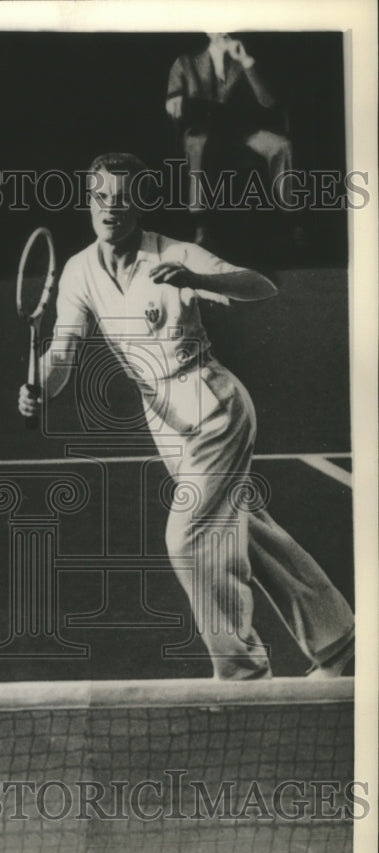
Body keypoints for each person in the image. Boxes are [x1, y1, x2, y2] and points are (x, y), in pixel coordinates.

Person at [18, 152, 354, 682]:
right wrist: (39, 384)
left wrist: (201, 277)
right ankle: (340, 642)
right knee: (242, 527)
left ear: (143, 204)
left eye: (125, 198)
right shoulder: (80, 272)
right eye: (102, 197)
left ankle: (242, 672)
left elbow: (261, 285)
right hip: (166, 425)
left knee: (188, 538)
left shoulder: (175, 253)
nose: (112, 209)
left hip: (215, 409)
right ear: (89, 202)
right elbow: (61, 355)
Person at [166, 33, 295, 244]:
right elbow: (173, 97)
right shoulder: (186, 62)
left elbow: (268, 102)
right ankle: (201, 222)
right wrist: (174, 101)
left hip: (241, 130)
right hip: (203, 130)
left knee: (282, 146)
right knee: (197, 144)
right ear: (207, 31)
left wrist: (246, 62)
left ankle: (291, 216)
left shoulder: (243, 62)